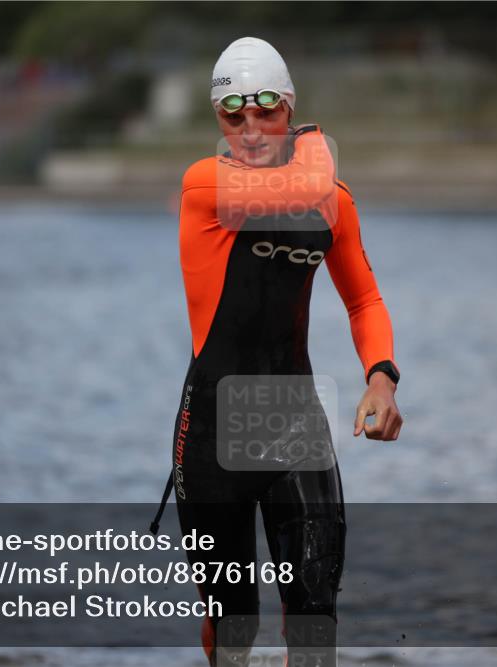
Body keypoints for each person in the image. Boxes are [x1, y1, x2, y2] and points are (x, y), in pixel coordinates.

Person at [152, 36, 401, 667]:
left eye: (267, 109)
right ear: (218, 118)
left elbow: (364, 301)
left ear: (287, 107)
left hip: (293, 423)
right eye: (234, 114)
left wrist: (381, 379)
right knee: (233, 625)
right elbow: (305, 181)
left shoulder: (333, 203)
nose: (252, 127)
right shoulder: (205, 186)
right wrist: (314, 138)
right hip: (210, 431)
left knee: (315, 614)